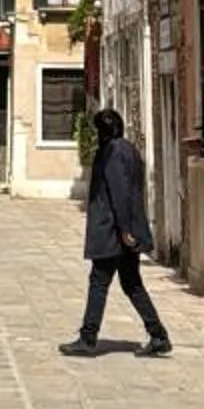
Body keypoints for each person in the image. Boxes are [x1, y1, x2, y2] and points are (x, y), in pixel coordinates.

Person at [63, 108, 172, 357]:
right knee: (131, 283)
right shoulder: (128, 149)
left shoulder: (113, 153)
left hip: (113, 231)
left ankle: (88, 337)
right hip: (122, 230)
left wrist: (124, 230)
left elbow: (119, 193)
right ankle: (158, 335)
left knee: (99, 282)